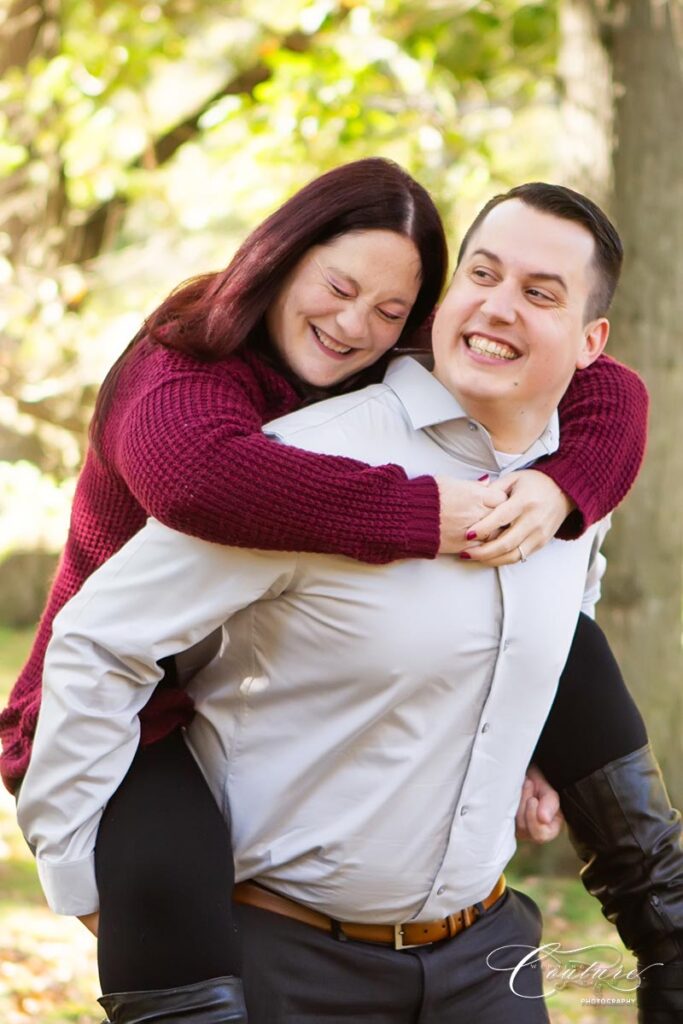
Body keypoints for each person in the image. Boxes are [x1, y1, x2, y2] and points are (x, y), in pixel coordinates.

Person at [15, 183, 681, 1024]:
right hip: (270, 927)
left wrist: (520, 722)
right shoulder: (249, 434)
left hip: (485, 960)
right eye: (484, 274)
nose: (352, 323)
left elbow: (568, 582)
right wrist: (82, 888)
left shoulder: (566, 466)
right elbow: (161, 541)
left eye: (540, 293)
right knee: (162, 886)